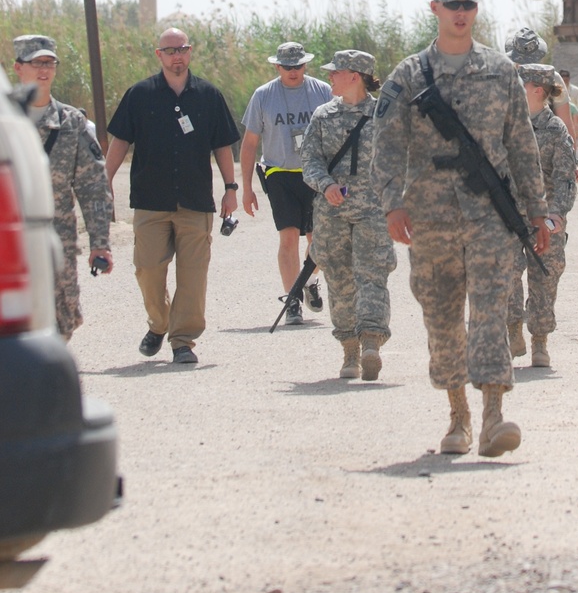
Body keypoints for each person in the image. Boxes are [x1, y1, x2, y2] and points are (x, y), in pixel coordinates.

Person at [371, 0, 550, 457]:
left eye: (467, 3)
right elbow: (386, 144)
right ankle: (458, 416)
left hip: (490, 215)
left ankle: (494, 416)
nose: (460, 11)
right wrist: (392, 202)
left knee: (492, 309)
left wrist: (539, 213)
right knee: (442, 315)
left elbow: (521, 145)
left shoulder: (500, 70)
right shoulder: (408, 76)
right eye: (451, 4)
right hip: (430, 218)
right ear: (434, 8)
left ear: (476, 8)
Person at [105, 27, 240, 367]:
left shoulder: (209, 96)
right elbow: (120, 140)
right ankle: (159, 323)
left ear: (190, 52)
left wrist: (231, 188)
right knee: (147, 269)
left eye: (182, 49)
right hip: (151, 200)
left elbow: (222, 145)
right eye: (170, 50)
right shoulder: (139, 95)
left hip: (195, 201)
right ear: (159, 55)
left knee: (193, 275)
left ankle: (183, 341)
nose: (176, 56)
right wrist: (103, 181)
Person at [301, 50, 396, 380]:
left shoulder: (385, 115)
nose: (329, 77)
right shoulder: (322, 116)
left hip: (373, 210)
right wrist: (325, 184)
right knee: (339, 280)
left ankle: (371, 341)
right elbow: (309, 161)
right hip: (332, 213)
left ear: (355, 76)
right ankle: (350, 352)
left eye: (335, 72)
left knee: (373, 275)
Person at [12, 34, 114, 339]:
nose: (43, 70)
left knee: (63, 318)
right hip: (10, 239)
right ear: (19, 68)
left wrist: (100, 242)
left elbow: (93, 186)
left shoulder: (72, 123)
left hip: (57, 239)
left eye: (49, 63)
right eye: (35, 63)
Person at [239, 40, 331, 324]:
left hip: (315, 174)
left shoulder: (323, 91)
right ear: (277, 66)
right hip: (279, 173)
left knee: (319, 241)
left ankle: (309, 280)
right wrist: (246, 188)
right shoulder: (264, 95)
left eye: (298, 65)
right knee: (289, 236)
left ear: (306, 64)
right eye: (287, 66)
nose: (293, 71)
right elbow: (250, 142)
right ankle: (292, 300)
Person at [507, 64, 577, 369]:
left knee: (544, 279)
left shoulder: (556, 130)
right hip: (508, 216)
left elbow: (565, 178)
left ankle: (539, 342)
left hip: (545, 218)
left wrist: (557, 214)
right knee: (506, 273)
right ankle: (512, 328)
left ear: (537, 90)